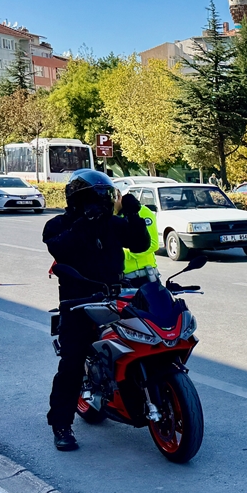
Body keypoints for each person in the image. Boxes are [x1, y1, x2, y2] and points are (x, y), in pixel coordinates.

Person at [43, 169, 151, 451]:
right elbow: (60, 249)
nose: (102, 203)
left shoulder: (111, 224)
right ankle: (61, 425)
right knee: (72, 363)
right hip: (77, 303)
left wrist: (133, 215)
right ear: (79, 200)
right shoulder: (57, 224)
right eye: (96, 197)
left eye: (106, 197)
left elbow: (140, 244)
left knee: (144, 340)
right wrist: (84, 222)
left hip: (115, 296)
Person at [110, 180, 161, 286]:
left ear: (118, 197)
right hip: (118, 279)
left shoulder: (140, 211)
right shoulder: (111, 216)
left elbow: (153, 244)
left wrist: (122, 253)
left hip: (141, 277)